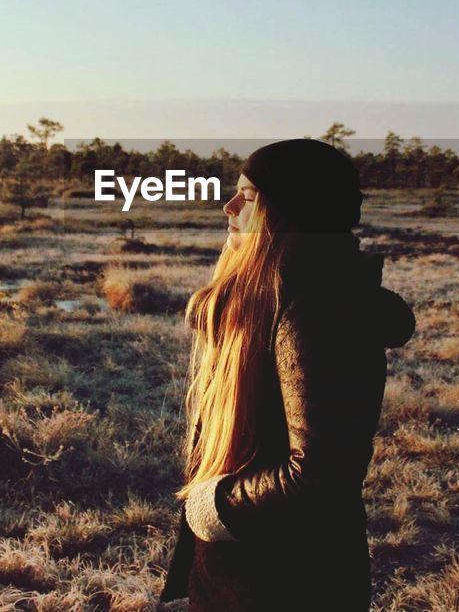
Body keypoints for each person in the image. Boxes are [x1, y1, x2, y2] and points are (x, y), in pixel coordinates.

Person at [157, 139, 417, 610]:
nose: (229, 206)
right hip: (251, 569)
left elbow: (319, 473)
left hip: (287, 579)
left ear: (286, 213)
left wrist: (217, 506)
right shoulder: (273, 298)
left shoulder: (312, 310)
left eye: (248, 197)